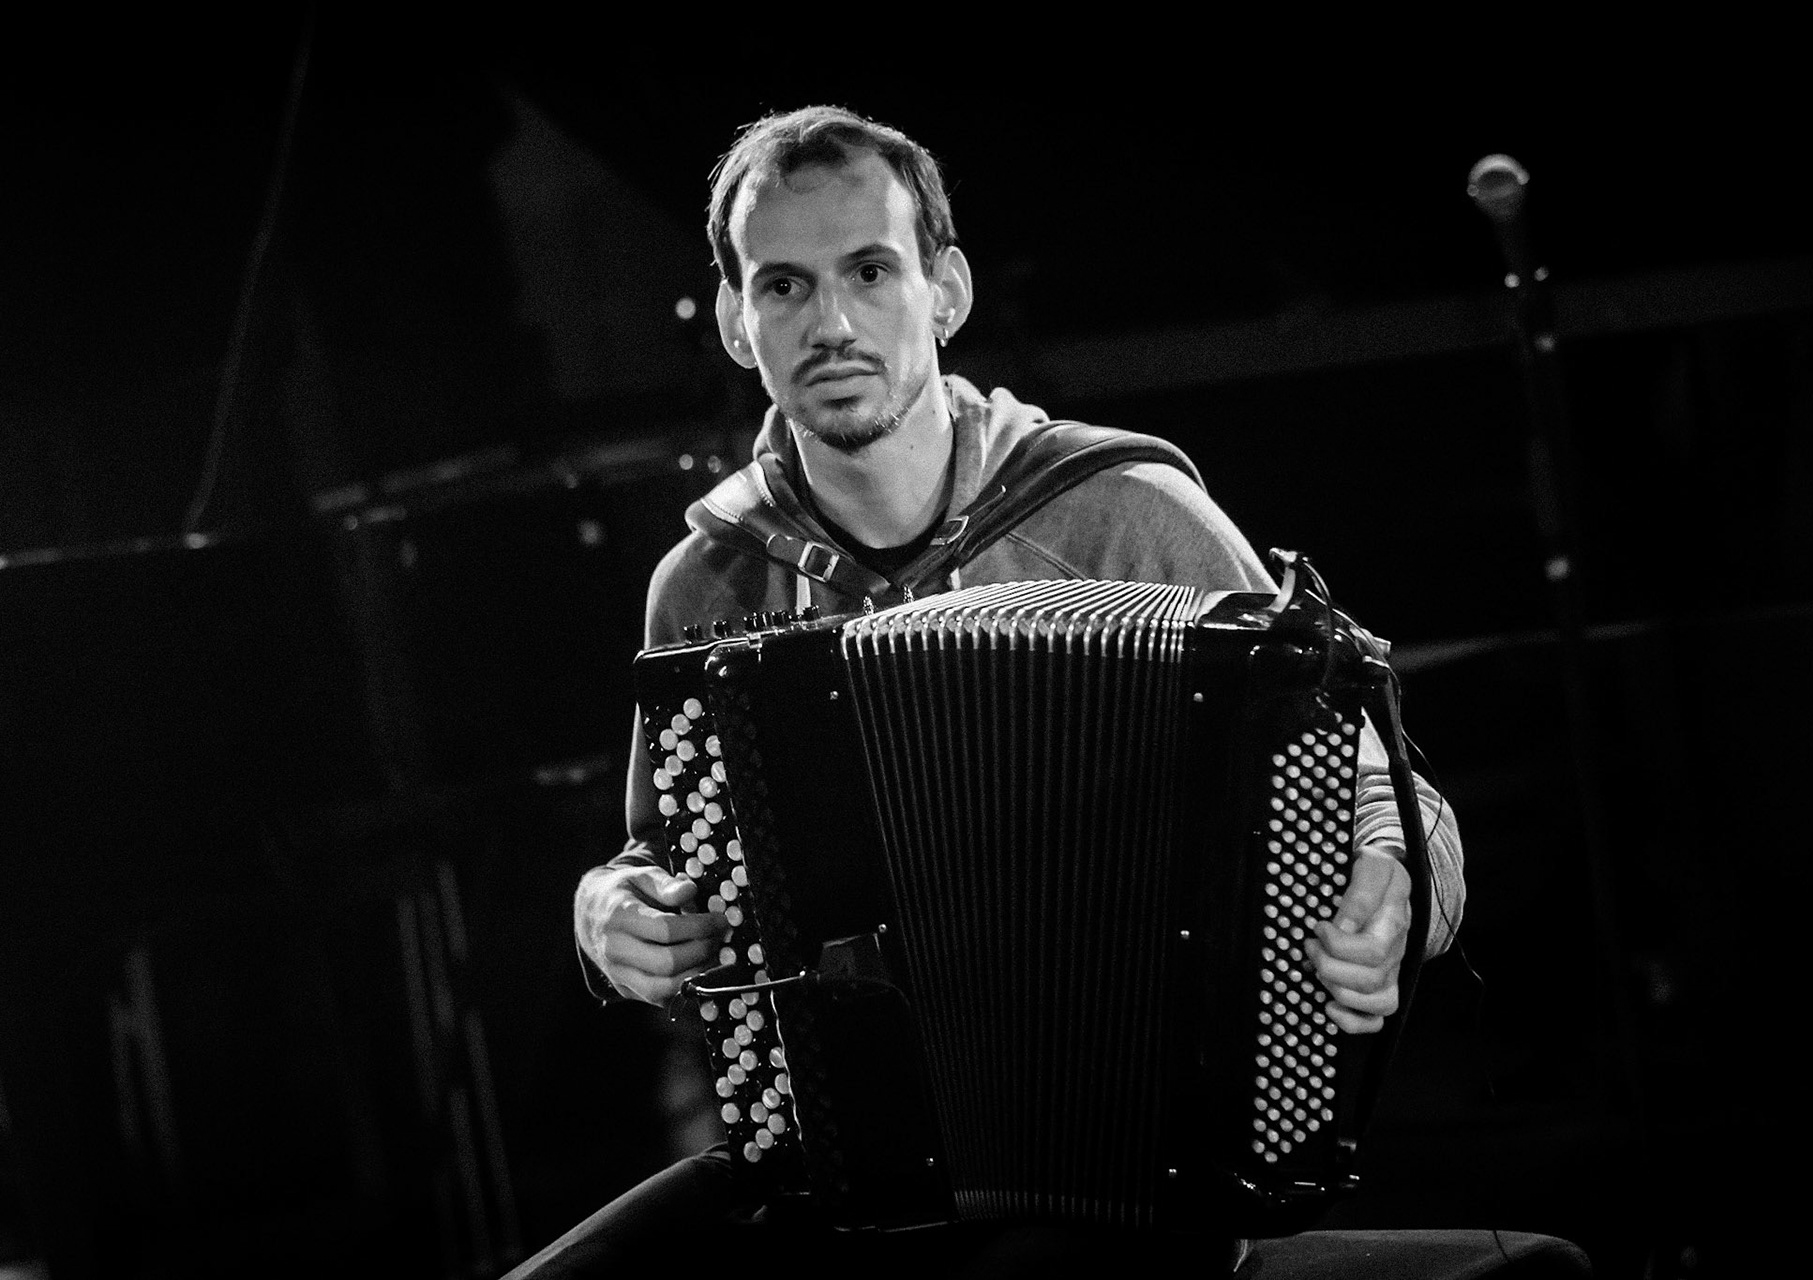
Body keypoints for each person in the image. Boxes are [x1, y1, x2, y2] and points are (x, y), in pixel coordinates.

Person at [509, 105, 1466, 1280]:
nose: (834, 322)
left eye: (871, 270)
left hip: (1145, 1163)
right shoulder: (705, 579)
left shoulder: (1121, 510)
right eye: (785, 288)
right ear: (732, 320)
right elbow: (661, 868)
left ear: (945, 290)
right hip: (846, 1172)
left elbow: (1381, 787)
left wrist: (1396, 878)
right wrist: (609, 917)